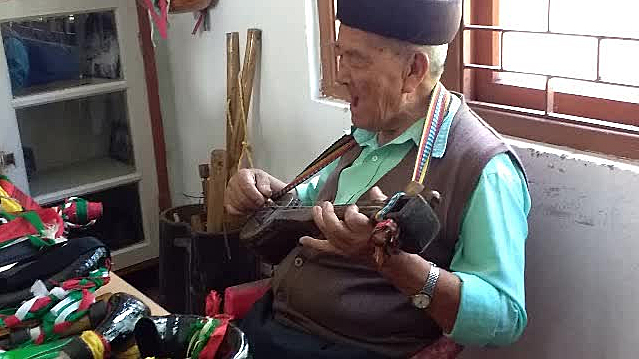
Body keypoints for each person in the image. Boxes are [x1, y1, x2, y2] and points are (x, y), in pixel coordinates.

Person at [224, 0, 531, 357]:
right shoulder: (366, 136)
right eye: (339, 55)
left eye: (356, 59)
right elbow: (312, 203)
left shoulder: (485, 170)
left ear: (413, 70)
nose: (340, 74)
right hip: (269, 328)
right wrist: (263, 192)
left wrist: (395, 265)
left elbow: (505, 318)